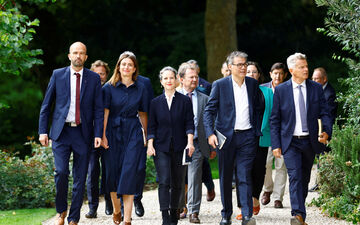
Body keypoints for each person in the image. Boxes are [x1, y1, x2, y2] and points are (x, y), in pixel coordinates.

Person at [38, 42, 103, 225]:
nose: (78, 56)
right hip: (61, 132)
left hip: (83, 133)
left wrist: (98, 134)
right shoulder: (58, 75)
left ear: (86, 57)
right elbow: (46, 105)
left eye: (81, 53)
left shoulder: (93, 78)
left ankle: (74, 218)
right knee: (61, 172)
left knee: (80, 177)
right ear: (69, 56)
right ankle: (61, 212)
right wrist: (43, 131)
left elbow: (98, 109)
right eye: (75, 52)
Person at [270, 53, 332, 225]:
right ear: (291, 70)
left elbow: (325, 113)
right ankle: (298, 215)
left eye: (306, 66)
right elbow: (275, 119)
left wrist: (326, 131)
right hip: (290, 142)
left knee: (304, 178)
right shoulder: (281, 90)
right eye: (301, 67)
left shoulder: (315, 88)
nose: (306, 69)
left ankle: (299, 211)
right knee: (295, 176)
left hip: (310, 141)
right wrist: (276, 143)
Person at [203, 51, 262, 225]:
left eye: (245, 64)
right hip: (225, 138)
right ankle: (226, 214)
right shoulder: (220, 85)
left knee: (244, 175)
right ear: (230, 67)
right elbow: (209, 111)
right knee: (226, 177)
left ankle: (246, 215)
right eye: (240, 65)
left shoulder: (252, 84)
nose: (244, 67)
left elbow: (259, 107)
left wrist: (255, 130)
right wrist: (210, 133)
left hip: (247, 137)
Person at [101, 51, 148, 225]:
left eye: (130, 64)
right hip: (112, 132)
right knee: (112, 175)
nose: (126, 67)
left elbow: (143, 114)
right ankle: (117, 210)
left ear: (134, 68)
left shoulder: (141, 88)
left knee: (129, 173)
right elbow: (105, 113)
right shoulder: (108, 87)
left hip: (133, 132)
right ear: (118, 67)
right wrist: (103, 135)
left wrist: (147, 136)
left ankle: (127, 220)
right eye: (123, 64)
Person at [147, 66, 195, 225]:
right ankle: (165, 215)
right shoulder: (155, 103)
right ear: (161, 82)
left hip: (180, 147)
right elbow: (151, 126)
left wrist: (190, 143)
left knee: (177, 181)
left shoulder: (185, 101)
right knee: (164, 180)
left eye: (171, 78)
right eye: (165, 78)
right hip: (161, 147)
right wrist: (150, 144)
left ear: (176, 80)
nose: (169, 81)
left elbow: (189, 123)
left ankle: (174, 212)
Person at [177, 63, 216, 223]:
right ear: (181, 79)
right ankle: (180, 207)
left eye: (196, 77)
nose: (194, 80)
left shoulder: (205, 99)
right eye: (191, 77)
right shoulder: (173, 96)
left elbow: (210, 123)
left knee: (194, 177)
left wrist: (212, 145)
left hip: (198, 143)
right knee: (178, 177)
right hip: (178, 144)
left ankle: (193, 211)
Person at [236, 61, 273, 221]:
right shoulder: (239, 91)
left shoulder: (268, 92)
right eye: (248, 71)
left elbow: (273, 114)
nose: (251, 74)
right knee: (241, 172)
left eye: (254, 72)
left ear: (259, 75)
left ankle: (255, 198)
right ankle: (244, 206)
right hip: (242, 138)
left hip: (261, 137)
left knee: (258, 170)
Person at [85, 60, 112, 219]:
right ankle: (92, 207)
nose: (99, 76)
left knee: (109, 171)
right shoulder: (86, 89)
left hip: (108, 137)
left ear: (106, 75)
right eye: (96, 73)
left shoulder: (110, 89)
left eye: (102, 73)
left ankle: (109, 202)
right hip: (90, 137)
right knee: (92, 171)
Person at [261, 62, 288, 209]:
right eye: (275, 73)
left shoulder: (287, 89)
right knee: (265, 164)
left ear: (284, 75)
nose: (277, 76)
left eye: (280, 73)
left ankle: (278, 197)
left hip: (283, 133)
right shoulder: (262, 89)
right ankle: (268, 189)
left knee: (281, 166)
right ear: (270, 74)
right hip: (265, 132)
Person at [309, 67, 337, 192]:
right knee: (320, 155)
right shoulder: (317, 90)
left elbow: (329, 114)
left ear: (324, 79)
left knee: (323, 155)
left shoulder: (329, 94)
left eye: (317, 78)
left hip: (325, 128)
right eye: (313, 78)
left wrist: (325, 131)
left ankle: (322, 183)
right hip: (317, 126)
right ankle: (320, 183)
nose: (314, 80)